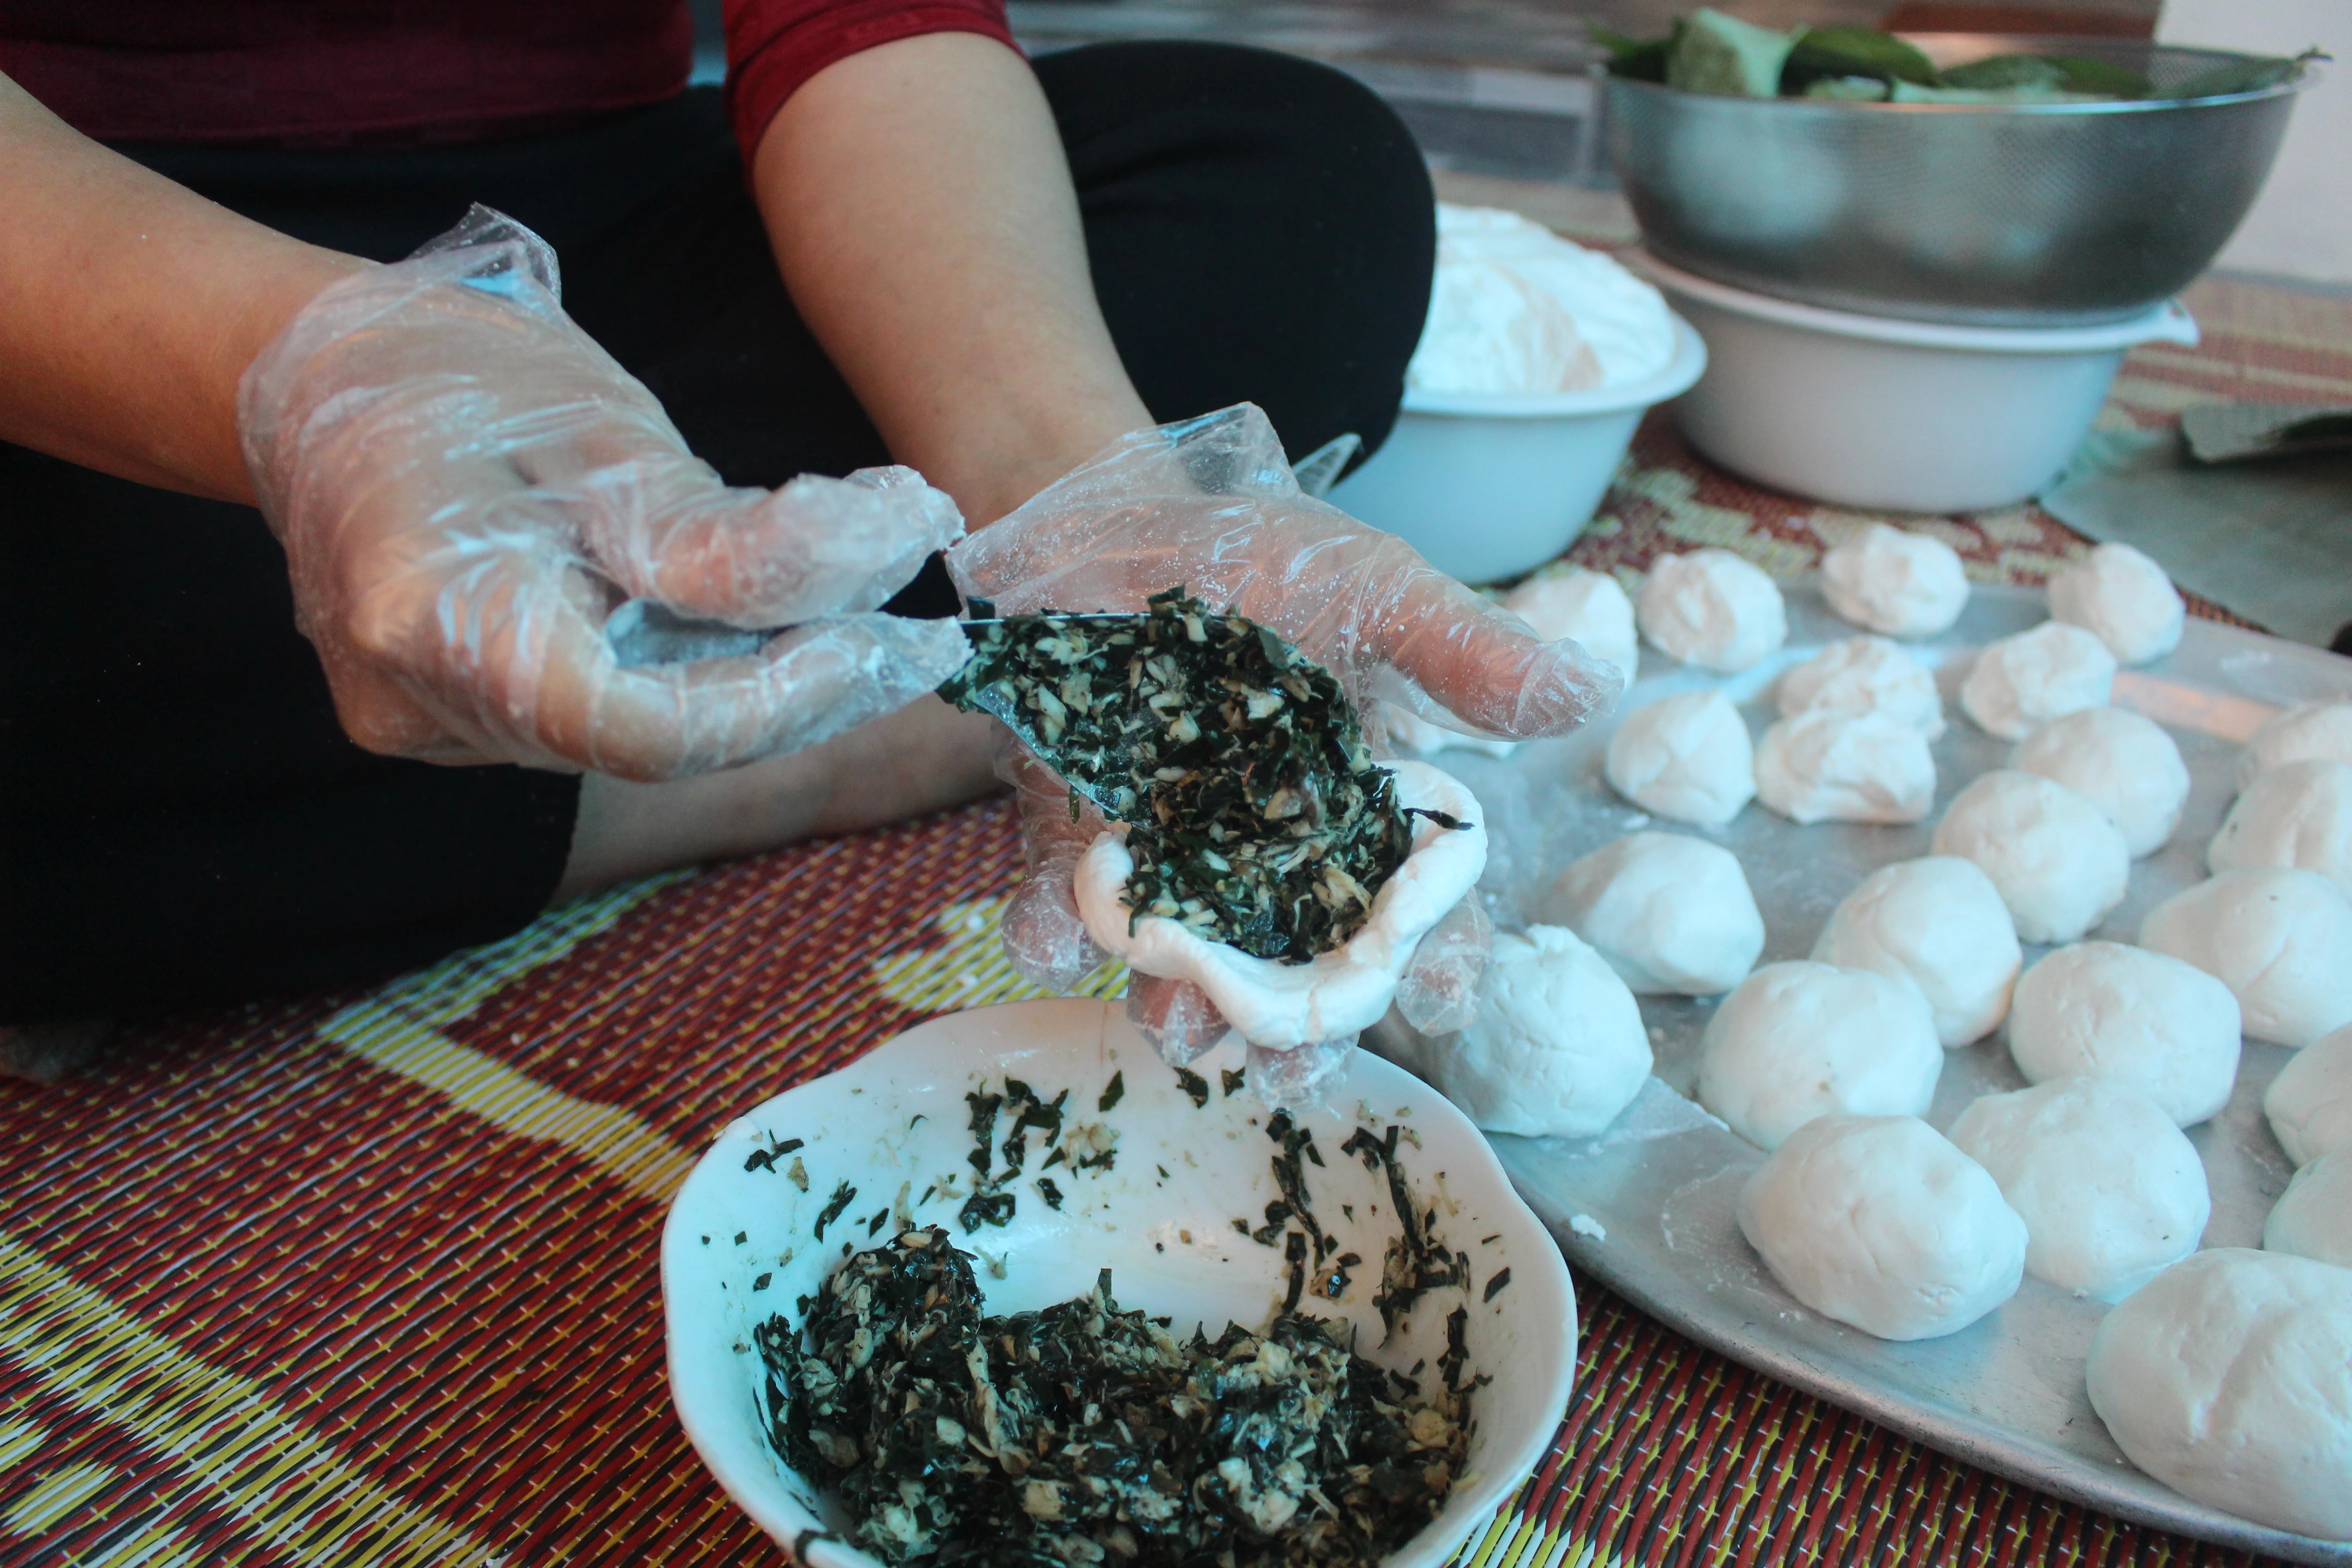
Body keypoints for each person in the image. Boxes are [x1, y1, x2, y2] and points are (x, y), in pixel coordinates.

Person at [0, 2, 1617, 1073]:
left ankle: (753, 683)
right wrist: (308, 377)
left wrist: (1074, 486)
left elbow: (865, 27)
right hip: (102, 276)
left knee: (1294, 171)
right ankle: (842, 730)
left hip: (632, 233)